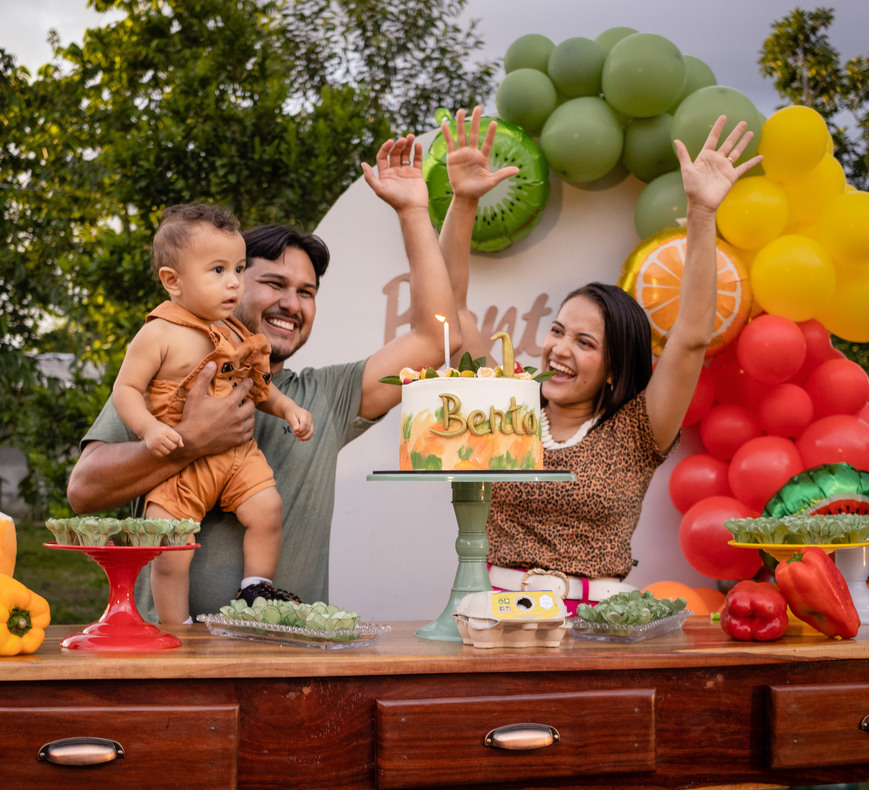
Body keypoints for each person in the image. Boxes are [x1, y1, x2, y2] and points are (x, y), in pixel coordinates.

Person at [67, 135, 462, 619]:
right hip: (172, 666)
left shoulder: (328, 395)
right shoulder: (169, 374)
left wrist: (413, 212)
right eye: (274, 283)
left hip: (289, 668)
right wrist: (191, 439)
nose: (292, 304)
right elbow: (83, 492)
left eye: (307, 292)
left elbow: (436, 340)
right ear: (228, 286)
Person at [441, 109, 762, 615]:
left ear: (614, 368)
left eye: (585, 343)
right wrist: (462, 203)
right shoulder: (505, 409)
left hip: (599, 627)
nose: (560, 348)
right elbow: (453, 313)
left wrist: (701, 213)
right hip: (497, 618)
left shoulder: (639, 429)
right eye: (557, 331)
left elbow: (692, 337)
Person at [111, 203, 314, 624]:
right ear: (173, 281)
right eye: (218, 270)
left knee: (268, 510)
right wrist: (149, 429)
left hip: (237, 456)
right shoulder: (158, 333)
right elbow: (125, 389)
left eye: (239, 270)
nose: (234, 283)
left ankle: (256, 586)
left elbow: (261, 388)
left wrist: (289, 408)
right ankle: (176, 625)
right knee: (170, 550)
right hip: (179, 466)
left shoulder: (235, 332)